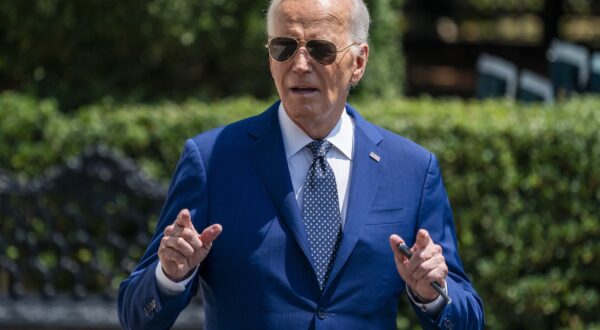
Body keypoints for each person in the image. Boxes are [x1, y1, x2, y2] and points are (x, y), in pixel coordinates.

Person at [117, 0, 485, 328]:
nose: (300, 64)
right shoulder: (212, 159)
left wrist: (434, 294)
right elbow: (135, 314)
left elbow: (467, 315)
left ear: (358, 63)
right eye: (284, 47)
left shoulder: (412, 169)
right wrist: (169, 276)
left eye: (322, 49)